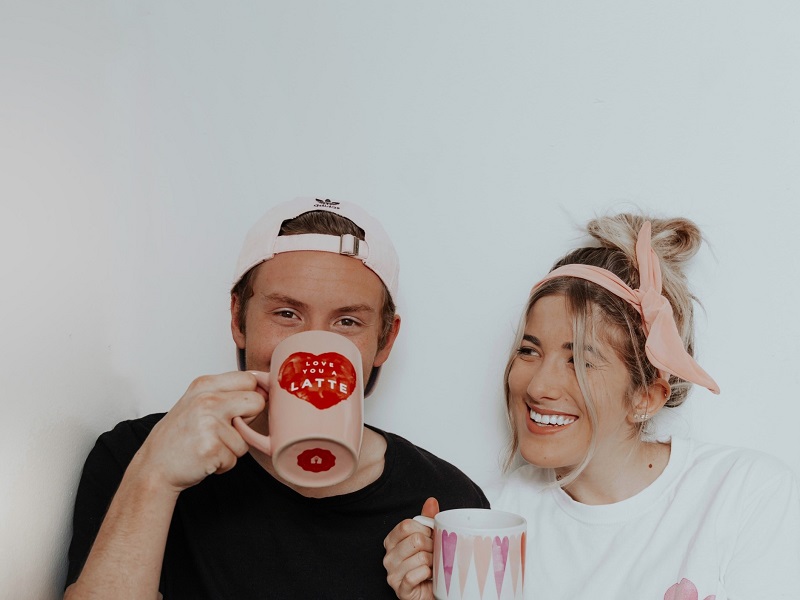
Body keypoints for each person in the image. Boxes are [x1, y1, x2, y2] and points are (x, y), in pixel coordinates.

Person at [64, 197, 488, 599]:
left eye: (347, 321)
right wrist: (154, 479)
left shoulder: (448, 503)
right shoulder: (136, 457)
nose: (315, 346)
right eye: (287, 313)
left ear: (384, 341)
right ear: (238, 318)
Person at [384, 213, 800, 599]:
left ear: (646, 396)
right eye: (529, 351)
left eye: (579, 360)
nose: (539, 386)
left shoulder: (745, 495)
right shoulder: (490, 520)